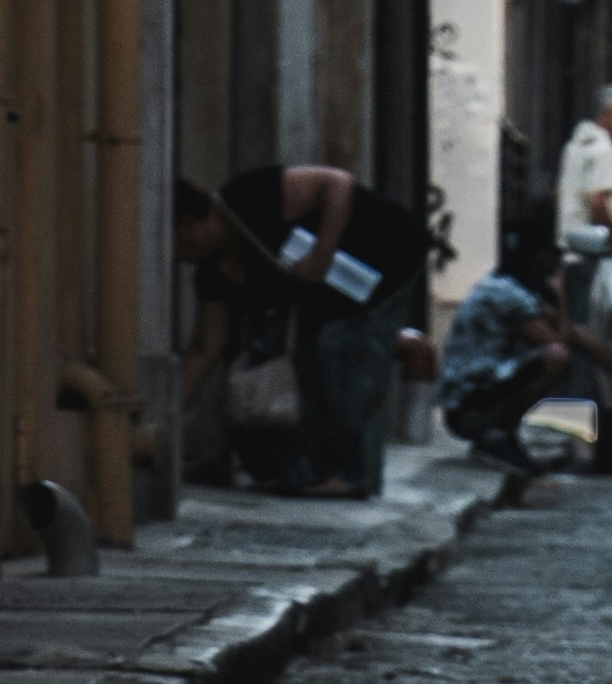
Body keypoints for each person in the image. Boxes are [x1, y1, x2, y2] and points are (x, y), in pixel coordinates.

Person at [174, 159, 433, 498]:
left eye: (176, 242)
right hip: (331, 297)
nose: (176, 255)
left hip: (384, 258)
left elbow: (336, 181)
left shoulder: (250, 196)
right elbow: (206, 347)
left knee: (341, 349)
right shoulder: (214, 272)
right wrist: (168, 414)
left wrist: (321, 253)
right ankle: (304, 468)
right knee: (295, 360)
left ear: (188, 225)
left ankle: (352, 474)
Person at [432, 264, 590, 476]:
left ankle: (500, 434)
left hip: (471, 401)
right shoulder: (509, 295)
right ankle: (496, 436)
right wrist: (561, 299)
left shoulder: (508, 290)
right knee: (556, 359)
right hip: (468, 409)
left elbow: (579, 336)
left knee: (551, 357)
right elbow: (559, 344)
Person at [552, 86, 612, 305]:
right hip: (591, 256)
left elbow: (560, 194)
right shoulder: (604, 150)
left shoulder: (573, 147)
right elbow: (598, 203)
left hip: (568, 253)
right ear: (608, 113)